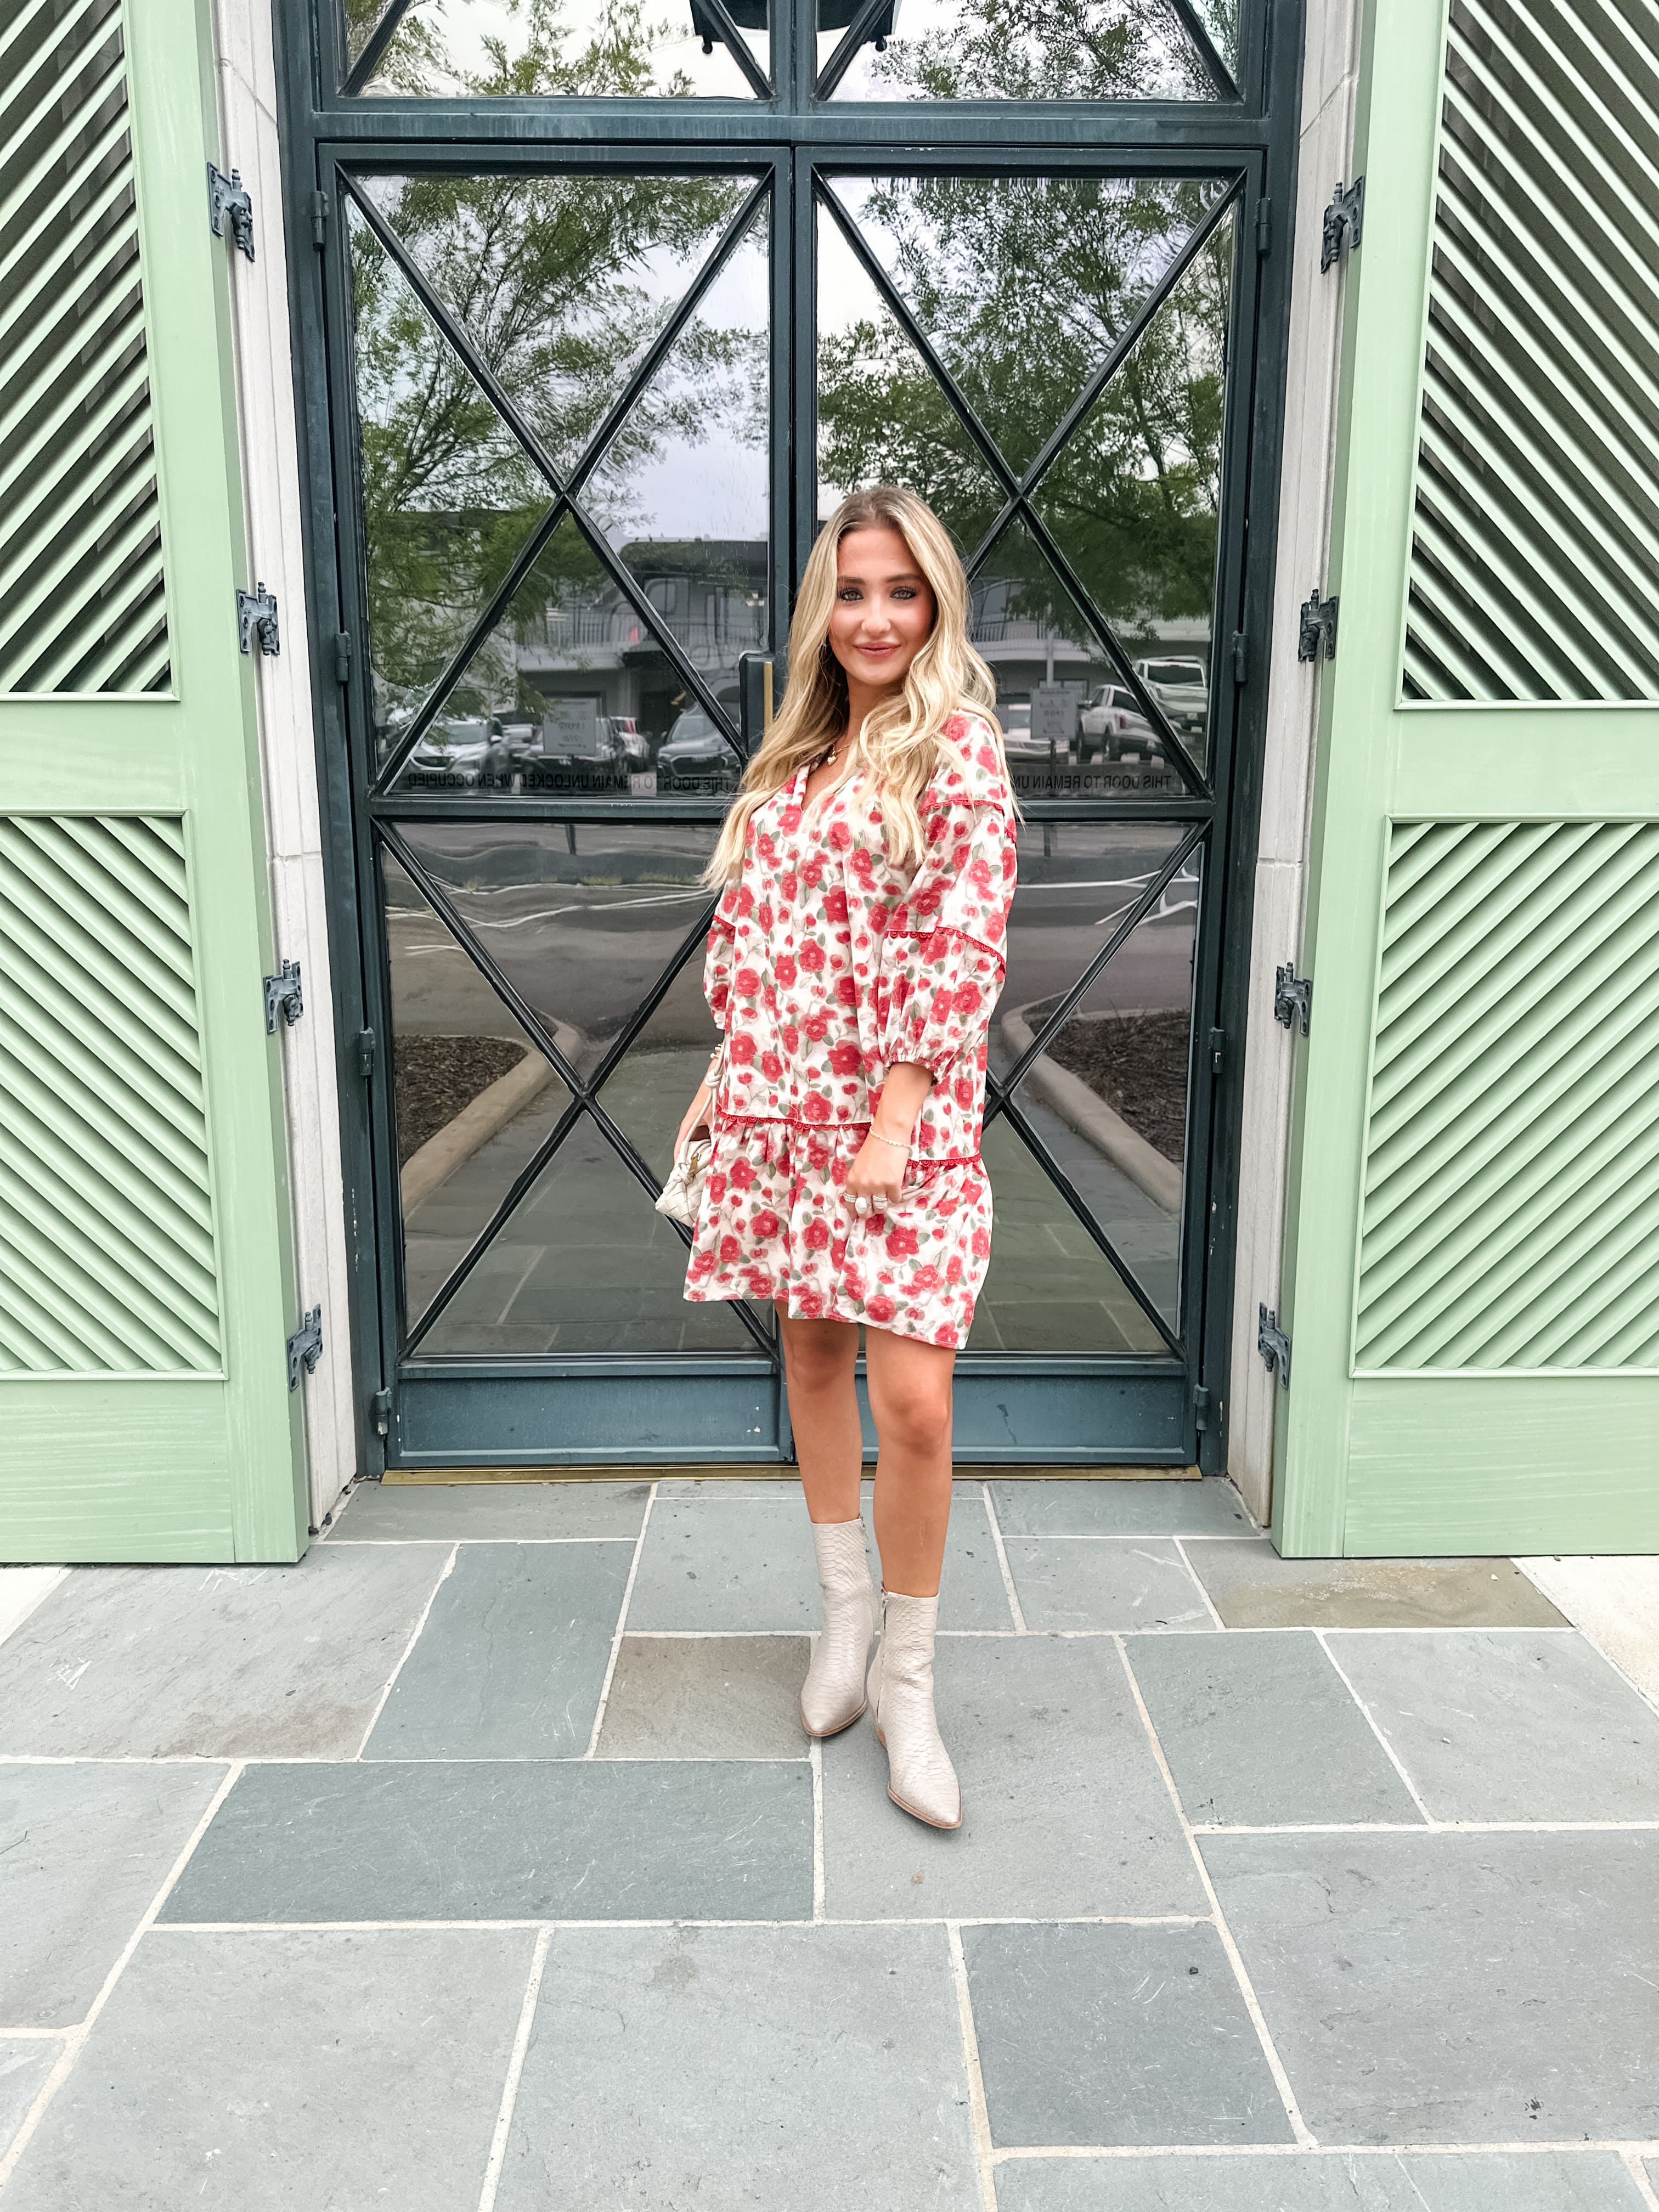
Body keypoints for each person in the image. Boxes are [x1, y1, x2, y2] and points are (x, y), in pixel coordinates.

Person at [675, 484, 1018, 1830]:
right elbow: (756, 942)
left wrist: (896, 1118)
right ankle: (843, 1617)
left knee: (918, 1402)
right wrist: (718, 1075)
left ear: (935, 606)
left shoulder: (960, 749)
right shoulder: (798, 763)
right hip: (778, 1108)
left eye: (903, 592)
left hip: (900, 1127)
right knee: (812, 1355)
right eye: (856, 592)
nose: (877, 618)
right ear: (827, 608)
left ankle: (913, 1681)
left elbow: (960, 947)